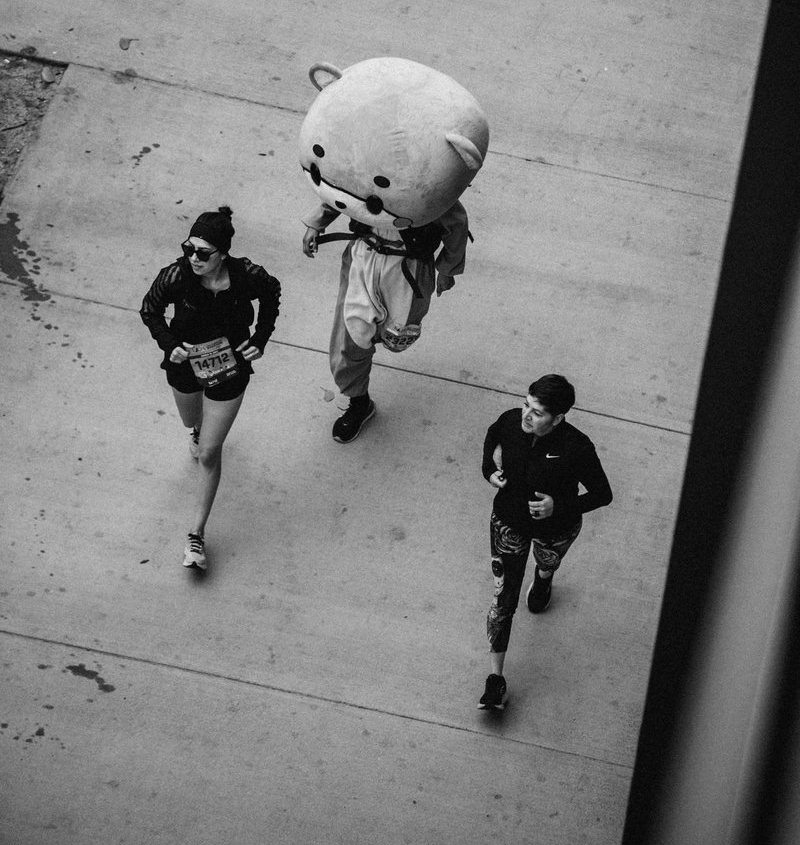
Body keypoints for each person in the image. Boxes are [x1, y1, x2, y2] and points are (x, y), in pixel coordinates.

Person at [140, 206, 281, 572]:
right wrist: (169, 343)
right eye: (189, 249)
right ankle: (197, 430)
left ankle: (196, 536)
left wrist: (261, 337)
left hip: (229, 368)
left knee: (208, 454)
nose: (193, 258)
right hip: (185, 364)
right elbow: (149, 310)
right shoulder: (176, 276)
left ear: (223, 253)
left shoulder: (247, 276)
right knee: (191, 419)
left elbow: (272, 292)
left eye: (203, 253)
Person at [478, 374, 613, 709]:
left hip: (556, 529)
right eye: (526, 404)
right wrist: (487, 468)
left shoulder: (577, 448)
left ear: (558, 418)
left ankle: (544, 578)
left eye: (537, 412)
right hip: (509, 524)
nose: (526, 414)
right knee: (503, 598)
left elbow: (603, 494)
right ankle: (495, 680)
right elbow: (492, 435)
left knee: (547, 562)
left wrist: (559, 505)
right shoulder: (511, 421)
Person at [302, 200, 469, 442]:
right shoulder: (368, 162)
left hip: (409, 266)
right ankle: (359, 403)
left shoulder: (424, 170)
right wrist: (317, 223)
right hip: (363, 258)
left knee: (397, 335)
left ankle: (375, 344)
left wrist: (448, 268)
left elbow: (453, 217)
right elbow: (343, 184)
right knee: (351, 338)